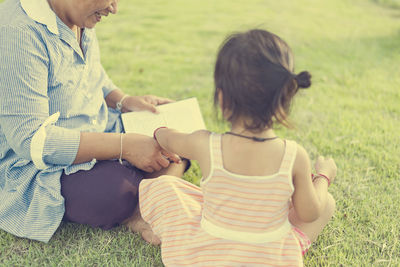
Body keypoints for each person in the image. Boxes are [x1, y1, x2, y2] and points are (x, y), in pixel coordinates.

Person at [136, 29, 337, 266]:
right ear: (285, 98)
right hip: (269, 259)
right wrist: (323, 176)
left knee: (164, 185)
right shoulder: (295, 156)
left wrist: (159, 132)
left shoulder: (205, 144)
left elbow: (169, 139)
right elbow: (310, 213)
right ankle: (289, 250)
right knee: (328, 203)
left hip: (204, 256)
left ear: (222, 100)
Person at [0, 0, 187, 243]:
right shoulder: (18, 32)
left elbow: (94, 75)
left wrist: (125, 101)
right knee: (112, 192)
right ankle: (149, 200)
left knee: (175, 139)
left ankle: (149, 201)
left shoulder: (79, 17)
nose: (114, 8)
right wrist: (124, 146)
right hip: (41, 161)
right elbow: (32, 141)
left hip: (99, 127)